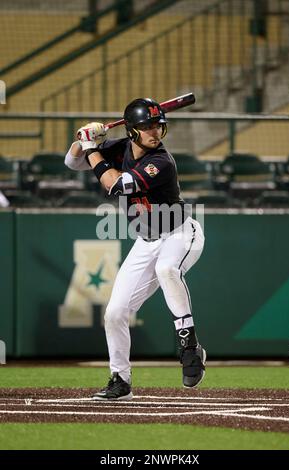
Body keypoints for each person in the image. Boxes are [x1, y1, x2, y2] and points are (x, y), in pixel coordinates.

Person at [65, 98, 206, 400]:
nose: (155, 132)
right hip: (146, 241)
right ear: (132, 131)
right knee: (114, 313)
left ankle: (189, 346)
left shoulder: (162, 162)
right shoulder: (119, 149)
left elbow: (116, 186)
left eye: (158, 125)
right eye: (146, 126)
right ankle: (120, 379)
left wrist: (92, 149)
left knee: (167, 269)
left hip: (180, 233)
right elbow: (73, 162)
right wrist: (83, 138)